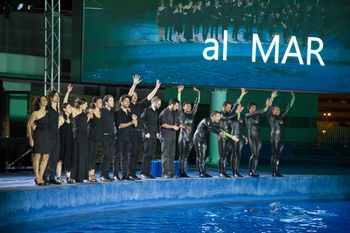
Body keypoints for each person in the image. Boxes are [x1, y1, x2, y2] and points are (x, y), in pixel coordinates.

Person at [127, 75, 161, 180]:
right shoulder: (129, 106)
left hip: (138, 132)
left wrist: (156, 88)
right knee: (131, 154)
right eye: (133, 96)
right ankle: (129, 173)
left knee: (136, 154)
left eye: (136, 96)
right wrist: (134, 85)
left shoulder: (139, 105)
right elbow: (128, 96)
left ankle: (134, 173)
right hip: (131, 131)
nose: (135, 97)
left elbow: (149, 97)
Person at [193, 111, 238, 178]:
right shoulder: (206, 120)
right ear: (213, 116)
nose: (219, 118)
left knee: (203, 156)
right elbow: (212, 128)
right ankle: (201, 173)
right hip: (198, 139)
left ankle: (203, 172)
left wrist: (232, 136)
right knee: (200, 156)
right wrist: (219, 133)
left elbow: (220, 129)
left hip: (203, 140)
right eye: (218, 116)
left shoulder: (214, 123)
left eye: (220, 117)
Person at [63, 84, 92, 182]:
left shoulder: (85, 113)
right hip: (77, 136)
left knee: (83, 156)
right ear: (80, 104)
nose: (87, 105)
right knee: (76, 156)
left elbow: (84, 123)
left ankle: (80, 177)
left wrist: (88, 117)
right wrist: (68, 92)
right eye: (85, 104)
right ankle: (72, 176)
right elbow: (65, 103)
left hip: (84, 136)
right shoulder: (75, 110)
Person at [245, 91, 276, 177]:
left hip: (258, 138)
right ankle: (252, 171)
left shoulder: (258, 115)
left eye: (255, 107)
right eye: (252, 107)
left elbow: (264, 111)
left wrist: (271, 98)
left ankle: (251, 170)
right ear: (249, 108)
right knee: (254, 154)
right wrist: (266, 106)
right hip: (252, 137)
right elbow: (259, 111)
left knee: (256, 155)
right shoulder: (247, 115)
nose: (254, 108)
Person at [217, 88, 247, 178]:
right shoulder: (220, 114)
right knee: (222, 155)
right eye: (228, 107)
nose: (230, 109)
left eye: (230, 107)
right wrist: (236, 112)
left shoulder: (230, 114)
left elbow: (236, 104)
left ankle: (233, 172)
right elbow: (226, 118)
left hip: (229, 137)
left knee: (226, 155)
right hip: (222, 137)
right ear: (223, 107)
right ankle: (221, 172)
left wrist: (241, 95)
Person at [268, 92, 296, 177]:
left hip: (281, 139)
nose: (278, 111)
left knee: (278, 155)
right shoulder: (270, 117)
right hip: (274, 138)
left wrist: (293, 99)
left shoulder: (281, 117)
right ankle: (273, 171)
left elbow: (288, 107)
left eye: (279, 109)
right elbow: (269, 107)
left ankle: (276, 170)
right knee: (274, 154)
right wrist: (272, 97)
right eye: (276, 109)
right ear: (272, 111)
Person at [177, 85, 200, 177]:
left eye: (190, 106)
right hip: (182, 138)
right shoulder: (181, 114)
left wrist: (198, 93)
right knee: (182, 156)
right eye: (186, 106)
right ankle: (180, 171)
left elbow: (197, 104)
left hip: (190, 138)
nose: (189, 107)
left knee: (186, 156)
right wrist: (179, 92)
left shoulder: (192, 115)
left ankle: (183, 171)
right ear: (183, 107)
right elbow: (179, 102)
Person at [27, 95, 50, 186]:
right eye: (43, 100)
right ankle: (37, 177)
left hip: (46, 136)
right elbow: (29, 125)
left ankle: (40, 176)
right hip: (38, 136)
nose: (45, 101)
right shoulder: (35, 113)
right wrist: (31, 138)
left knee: (46, 157)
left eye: (46, 100)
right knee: (37, 156)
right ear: (39, 102)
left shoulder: (47, 112)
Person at [114, 94, 138, 180]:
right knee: (117, 156)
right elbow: (120, 125)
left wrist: (135, 119)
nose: (128, 103)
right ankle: (115, 174)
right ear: (121, 102)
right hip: (120, 137)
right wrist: (131, 123)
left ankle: (125, 175)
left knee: (125, 157)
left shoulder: (130, 113)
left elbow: (135, 125)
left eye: (128, 101)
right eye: (126, 101)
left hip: (128, 138)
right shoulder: (118, 112)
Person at [140, 97, 162, 179]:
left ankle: (147, 172)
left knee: (151, 155)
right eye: (158, 104)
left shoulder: (156, 112)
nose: (159, 105)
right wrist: (145, 133)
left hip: (153, 136)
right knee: (147, 154)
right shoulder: (147, 110)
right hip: (148, 136)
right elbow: (141, 121)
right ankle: (143, 172)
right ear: (154, 102)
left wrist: (157, 132)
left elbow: (155, 124)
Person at [159, 98, 181, 178]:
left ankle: (171, 173)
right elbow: (163, 124)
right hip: (165, 136)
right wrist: (173, 127)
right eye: (176, 105)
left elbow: (178, 123)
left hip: (172, 137)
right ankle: (164, 173)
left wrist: (181, 126)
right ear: (171, 104)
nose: (177, 107)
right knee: (165, 155)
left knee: (172, 155)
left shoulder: (175, 113)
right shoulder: (164, 112)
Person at [100, 94, 116, 181]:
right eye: (110, 101)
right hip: (104, 136)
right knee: (106, 155)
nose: (112, 102)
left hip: (111, 137)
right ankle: (103, 174)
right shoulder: (101, 110)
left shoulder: (112, 112)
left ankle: (105, 174)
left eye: (113, 100)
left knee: (110, 156)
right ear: (105, 102)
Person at [46, 90, 61, 184]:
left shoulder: (57, 110)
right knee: (46, 158)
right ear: (51, 97)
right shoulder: (47, 108)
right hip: (48, 136)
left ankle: (51, 177)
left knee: (55, 158)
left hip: (56, 136)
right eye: (55, 96)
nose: (57, 97)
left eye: (58, 96)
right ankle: (42, 177)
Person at [58, 103, 75, 184]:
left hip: (69, 142)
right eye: (68, 107)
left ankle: (68, 178)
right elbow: (55, 130)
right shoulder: (61, 118)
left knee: (69, 159)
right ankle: (59, 177)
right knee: (60, 160)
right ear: (64, 109)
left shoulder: (71, 119)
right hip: (62, 142)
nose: (70, 108)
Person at [87, 97, 103, 182]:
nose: (101, 103)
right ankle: (90, 175)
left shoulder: (101, 112)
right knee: (90, 156)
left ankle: (92, 174)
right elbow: (86, 119)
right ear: (95, 103)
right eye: (99, 102)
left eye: (101, 102)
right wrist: (89, 114)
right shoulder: (91, 111)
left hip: (98, 137)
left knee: (93, 156)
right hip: (91, 137)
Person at [231, 103, 248, 177]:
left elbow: (240, 128)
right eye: (238, 107)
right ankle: (234, 172)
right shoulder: (233, 115)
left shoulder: (240, 117)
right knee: (235, 154)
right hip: (235, 137)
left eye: (241, 106)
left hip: (241, 137)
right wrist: (237, 112)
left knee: (238, 154)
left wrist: (245, 137)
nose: (240, 108)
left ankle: (237, 171)